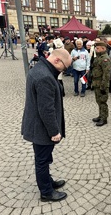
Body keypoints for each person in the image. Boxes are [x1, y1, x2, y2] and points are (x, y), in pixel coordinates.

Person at [21, 48, 72, 202]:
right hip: (42, 128)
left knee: (44, 158)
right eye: (65, 67)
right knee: (42, 160)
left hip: (38, 124)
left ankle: (48, 182)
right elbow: (46, 109)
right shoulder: (45, 76)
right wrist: (54, 132)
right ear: (57, 60)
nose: (65, 70)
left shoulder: (40, 67)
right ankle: (46, 192)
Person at [91, 41, 111, 126]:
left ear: (103, 48)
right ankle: (100, 115)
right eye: (96, 48)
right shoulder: (98, 57)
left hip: (102, 84)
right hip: (96, 83)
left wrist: (103, 86)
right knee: (98, 101)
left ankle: (104, 118)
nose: (96, 49)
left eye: (97, 48)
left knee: (103, 101)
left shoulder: (105, 58)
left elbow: (106, 74)